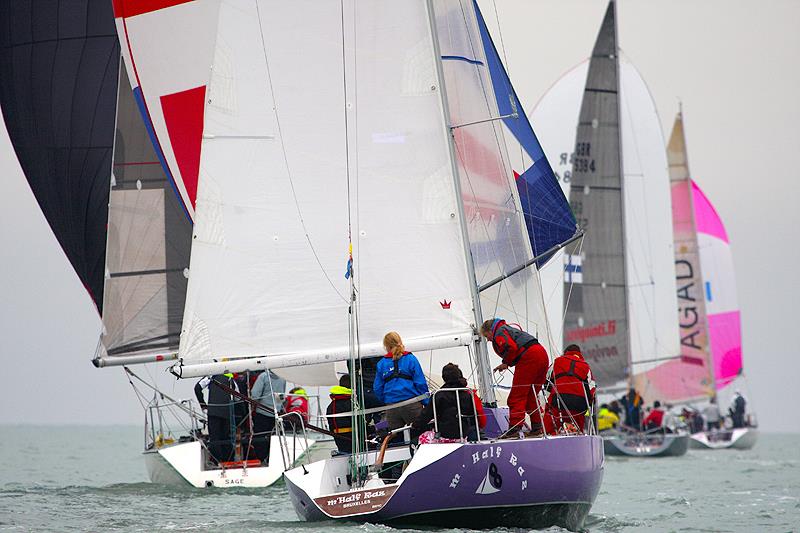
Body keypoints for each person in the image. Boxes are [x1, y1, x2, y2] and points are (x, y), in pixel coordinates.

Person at [481, 318, 550, 437]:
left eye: (487, 336)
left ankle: (514, 429)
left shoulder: (499, 333)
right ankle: (537, 427)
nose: (488, 339)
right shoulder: (508, 329)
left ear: (490, 331)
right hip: (542, 354)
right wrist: (507, 363)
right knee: (531, 396)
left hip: (529, 357)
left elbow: (511, 347)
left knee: (516, 396)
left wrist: (506, 363)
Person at [412, 363, 485, 443]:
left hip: (444, 436)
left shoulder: (439, 394)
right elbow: (473, 417)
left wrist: (415, 425)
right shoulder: (467, 394)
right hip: (463, 436)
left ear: (444, 377)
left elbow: (427, 414)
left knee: (414, 442)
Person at [374, 332, 430, 430]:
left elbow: (377, 388)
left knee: (395, 438)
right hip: (412, 404)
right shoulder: (410, 359)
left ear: (386, 346)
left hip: (392, 407)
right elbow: (420, 383)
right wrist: (426, 402)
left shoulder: (381, 363)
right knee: (419, 433)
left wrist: (387, 400)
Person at [544, 344, 596, 434]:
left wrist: (549, 400)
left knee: (551, 424)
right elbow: (592, 388)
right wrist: (589, 404)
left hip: (559, 400)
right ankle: (578, 437)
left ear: (566, 352)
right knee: (578, 429)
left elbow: (547, 381)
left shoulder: (557, 362)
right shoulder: (585, 366)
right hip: (579, 403)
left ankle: (549, 436)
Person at [194, 373, 243, 464]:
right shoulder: (231, 380)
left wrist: (203, 405)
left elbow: (197, 388)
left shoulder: (211, 376)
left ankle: (216, 461)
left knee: (215, 438)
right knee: (226, 438)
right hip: (226, 412)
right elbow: (238, 398)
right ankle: (228, 461)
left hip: (213, 412)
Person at [249, 370, 286, 463]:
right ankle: (271, 459)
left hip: (262, 412)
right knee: (274, 437)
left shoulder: (263, 376)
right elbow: (281, 397)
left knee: (260, 437)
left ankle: (261, 459)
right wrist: (278, 407)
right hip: (276, 414)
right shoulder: (282, 378)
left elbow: (255, 394)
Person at [326, 375, 354, 453]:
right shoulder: (353, 403)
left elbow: (331, 426)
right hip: (355, 441)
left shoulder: (331, 406)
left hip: (340, 442)